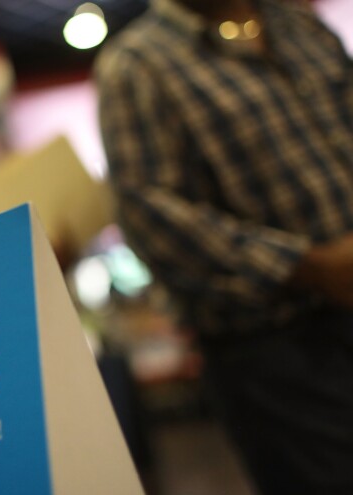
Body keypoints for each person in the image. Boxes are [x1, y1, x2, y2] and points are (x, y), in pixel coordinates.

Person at [96, 0, 353, 493]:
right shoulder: (138, 64)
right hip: (278, 352)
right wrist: (307, 266)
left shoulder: (299, 27)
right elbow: (150, 215)